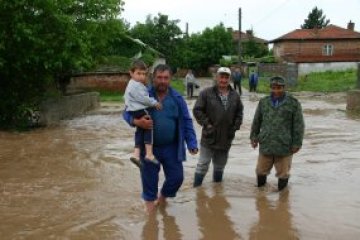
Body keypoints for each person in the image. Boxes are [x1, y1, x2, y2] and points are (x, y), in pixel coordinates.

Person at [123, 64, 199, 213]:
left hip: (172, 147)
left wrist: (191, 143)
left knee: (177, 178)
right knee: (149, 182)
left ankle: (162, 197)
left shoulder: (177, 98)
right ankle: (151, 217)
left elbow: (187, 120)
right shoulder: (142, 93)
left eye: (166, 78)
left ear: (170, 79)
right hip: (148, 147)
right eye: (159, 77)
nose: (162, 81)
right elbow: (126, 112)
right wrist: (136, 122)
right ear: (153, 78)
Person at [250, 76, 305, 191]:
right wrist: (253, 137)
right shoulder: (263, 102)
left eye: (279, 88)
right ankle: (261, 195)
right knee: (260, 171)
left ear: (284, 88)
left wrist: (297, 143)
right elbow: (257, 121)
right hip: (266, 143)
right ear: (270, 88)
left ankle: (282, 198)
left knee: (283, 173)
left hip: (284, 145)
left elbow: (299, 125)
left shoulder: (293, 103)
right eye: (274, 87)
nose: (276, 90)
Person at [192, 67, 244, 187]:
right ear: (216, 77)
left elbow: (239, 113)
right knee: (203, 163)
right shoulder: (206, 93)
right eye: (221, 76)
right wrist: (207, 124)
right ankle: (196, 189)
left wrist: (234, 127)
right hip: (209, 136)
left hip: (226, 137)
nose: (223, 80)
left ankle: (217, 190)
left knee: (220, 165)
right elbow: (197, 110)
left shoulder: (235, 95)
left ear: (229, 79)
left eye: (226, 77)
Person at [124, 60, 162, 167]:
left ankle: (136, 154)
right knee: (149, 125)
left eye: (144, 74)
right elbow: (143, 99)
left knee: (140, 130)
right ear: (131, 73)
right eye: (139, 74)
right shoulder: (137, 86)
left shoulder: (135, 84)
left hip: (134, 109)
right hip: (138, 109)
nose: (142, 77)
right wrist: (135, 121)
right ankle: (149, 154)